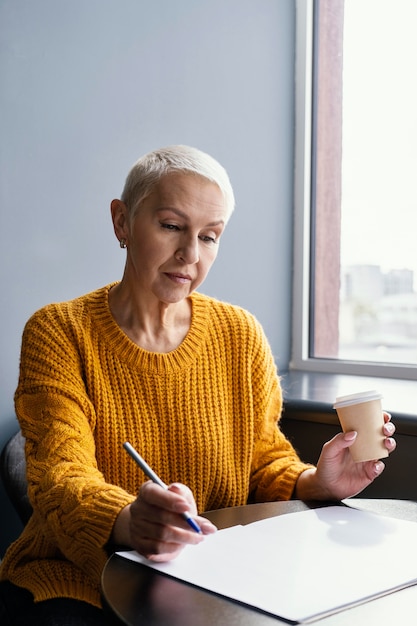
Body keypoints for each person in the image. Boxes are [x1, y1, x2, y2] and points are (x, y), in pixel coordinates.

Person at [0, 145, 396, 625]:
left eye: (210, 237)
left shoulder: (239, 332)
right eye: (171, 226)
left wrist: (317, 481)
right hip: (79, 578)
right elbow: (59, 480)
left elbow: (264, 460)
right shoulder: (59, 331)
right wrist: (129, 521)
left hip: (214, 577)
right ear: (122, 222)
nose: (190, 254)